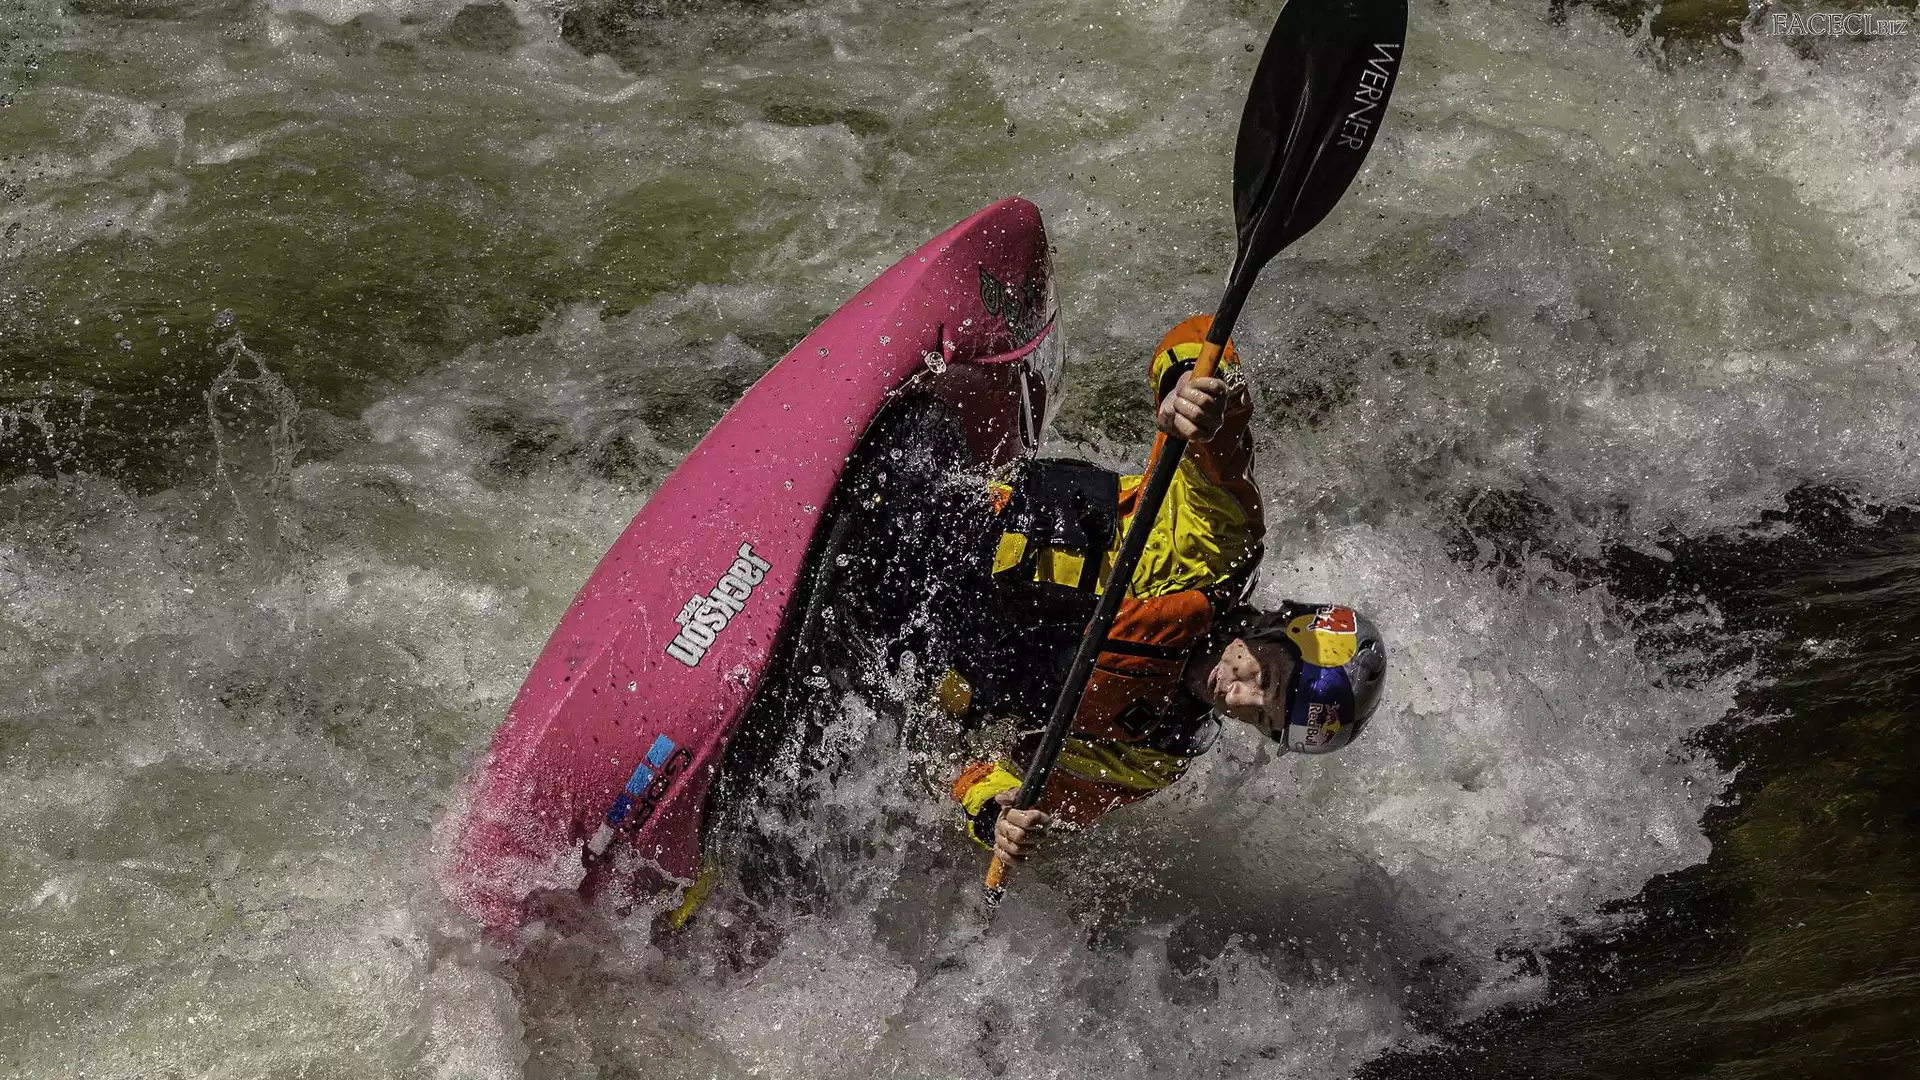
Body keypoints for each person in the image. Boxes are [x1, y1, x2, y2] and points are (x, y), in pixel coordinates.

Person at [941, 315, 1388, 868]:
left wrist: (995, 816)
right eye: (1266, 681)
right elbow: (1200, 340)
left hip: (917, 657)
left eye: (1261, 720)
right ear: (1279, 630)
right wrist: (1190, 391)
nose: (1238, 701)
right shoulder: (1220, 542)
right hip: (956, 521)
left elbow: (983, 775)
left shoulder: (1152, 757)